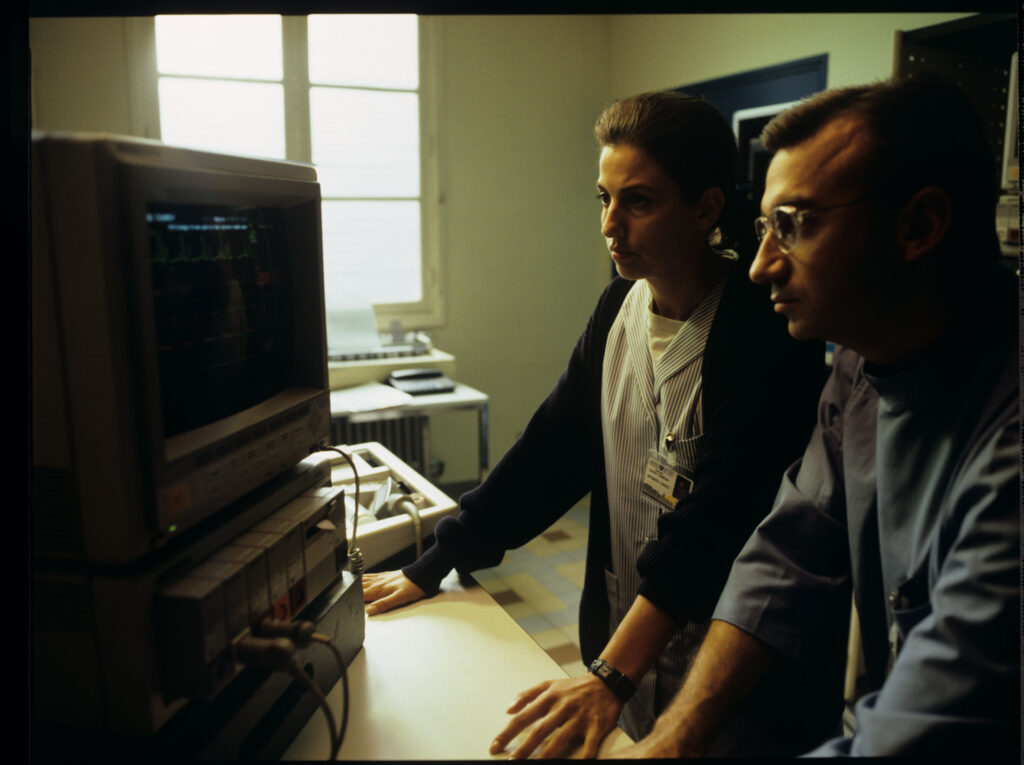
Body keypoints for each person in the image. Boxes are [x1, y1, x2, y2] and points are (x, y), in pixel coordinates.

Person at [363, 91, 833, 757]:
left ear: (705, 209)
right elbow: (551, 450)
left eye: (638, 201)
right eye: (603, 199)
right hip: (626, 632)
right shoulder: (619, 305)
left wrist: (611, 672)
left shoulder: (764, 329)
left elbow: (718, 524)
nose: (611, 224)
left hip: (730, 673)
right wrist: (438, 559)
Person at [611, 75, 1020, 759]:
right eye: (765, 226)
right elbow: (788, 553)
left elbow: (923, 734)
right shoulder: (862, 366)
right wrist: (674, 738)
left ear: (918, 224)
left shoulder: (1007, 450)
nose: (761, 265)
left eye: (794, 226)